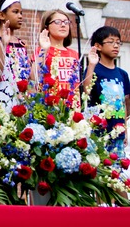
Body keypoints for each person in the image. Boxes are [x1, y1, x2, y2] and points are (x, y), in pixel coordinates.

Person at [84, 26, 130, 158]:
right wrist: (91, 65)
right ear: (98, 46)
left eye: (118, 42)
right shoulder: (94, 70)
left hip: (118, 133)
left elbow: (124, 103)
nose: (116, 45)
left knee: (117, 172)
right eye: (111, 42)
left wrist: (125, 129)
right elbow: (86, 92)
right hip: (100, 133)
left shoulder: (122, 74)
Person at [0, 0, 30, 110]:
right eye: (15, 12)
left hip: (21, 103)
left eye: (21, 13)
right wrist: (4, 45)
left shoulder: (22, 44)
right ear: (2, 15)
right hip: (1, 102)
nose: (20, 16)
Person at [31, 9, 80, 97]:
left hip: (71, 104)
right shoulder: (42, 50)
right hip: (50, 105)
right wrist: (44, 49)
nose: (63, 25)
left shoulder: (74, 54)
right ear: (47, 27)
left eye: (66, 22)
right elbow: (34, 77)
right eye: (57, 22)